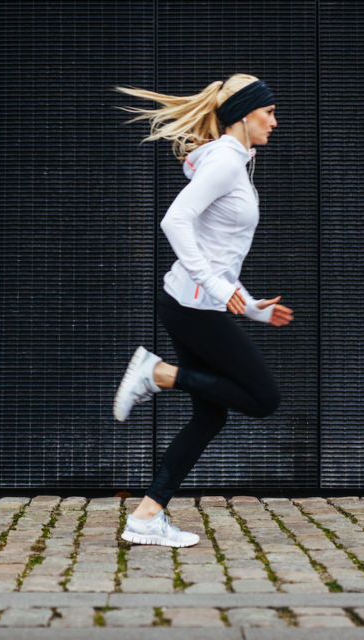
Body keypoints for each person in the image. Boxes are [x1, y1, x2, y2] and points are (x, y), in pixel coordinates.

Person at [111, 74, 294, 547]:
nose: (275, 122)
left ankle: (147, 518)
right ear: (245, 114)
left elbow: (218, 250)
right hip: (194, 307)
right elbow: (175, 220)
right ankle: (159, 374)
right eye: (269, 112)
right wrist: (214, 285)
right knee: (263, 398)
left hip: (189, 303)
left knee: (210, 418)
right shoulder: (227, 163)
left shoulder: (234, 161)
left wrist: (251, 308)